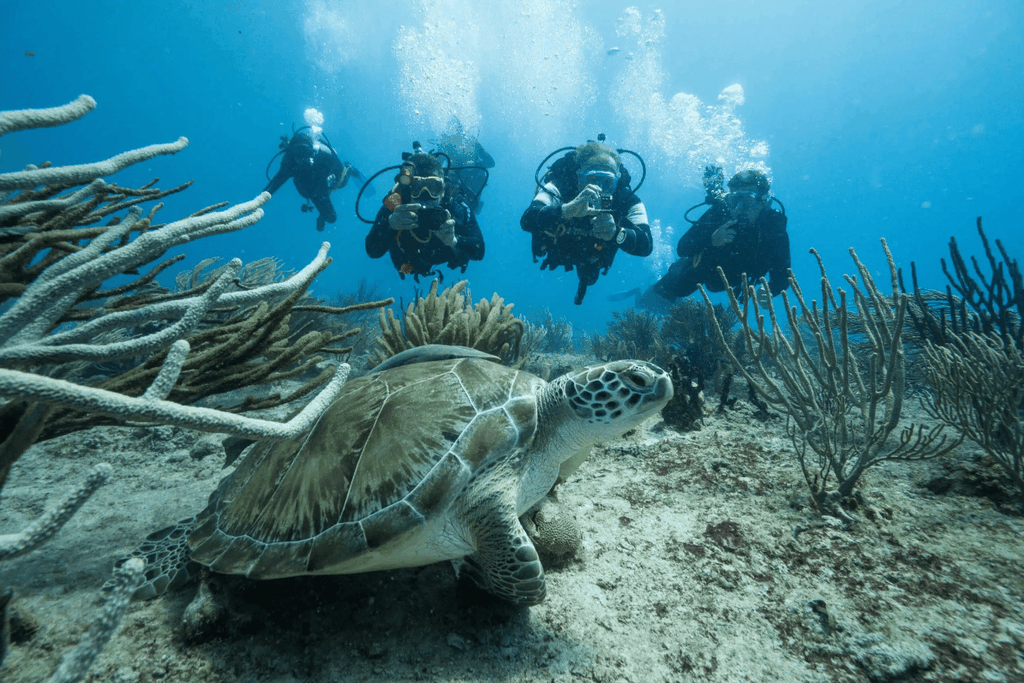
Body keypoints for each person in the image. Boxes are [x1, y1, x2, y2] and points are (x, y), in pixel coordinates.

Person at [521, 140, 653, 305]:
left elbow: (646, 244)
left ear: (616, 181)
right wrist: (564, 210)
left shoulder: (625, 198)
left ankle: (585, 279)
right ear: (578, 177)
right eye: (591, 179)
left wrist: (616, 233)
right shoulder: (560, 185)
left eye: (607, 182)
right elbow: (528, 219)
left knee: (590, 277)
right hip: (559, 248)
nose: (598, 188)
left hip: (595, 255)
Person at [642, 168, 790, 306]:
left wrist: (771, 290)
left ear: (762, 201)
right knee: (667, 291)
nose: (739, 208)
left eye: (747, 201)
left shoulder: (773, 226)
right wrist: (711, 240)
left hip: (737, 278)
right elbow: (682, 248)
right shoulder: (720, 212)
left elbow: (783, 274)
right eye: (734, 200)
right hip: (705, 270)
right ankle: (647, 292)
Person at [365, 150, 484, 282]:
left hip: (444, 257)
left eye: (434, 187)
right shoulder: (395, 203)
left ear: (443, 188)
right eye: (417, 187)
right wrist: (390, 225)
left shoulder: (453, 204)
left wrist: (455, 240)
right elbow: (372, 250)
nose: (425, 196)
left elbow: (479, 250)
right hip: (410, 264)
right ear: (408, 189)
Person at [265, 128, 367, 232]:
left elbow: (335, 172)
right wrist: (262, 198)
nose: (301, 158)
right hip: (311, 189)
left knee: (343, 183)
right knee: (330, 216)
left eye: (304, 153)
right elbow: (276, 183)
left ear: (311, 151)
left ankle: (349, 168)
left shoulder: (323, 156)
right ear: (292, 152)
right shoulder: (289, 162)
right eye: (298, 154)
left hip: (323, 184)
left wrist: (322, 212)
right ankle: (322, 210)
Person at [432, 116, 495, 213]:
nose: (454, 132)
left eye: (456, 128)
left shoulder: (471, 142)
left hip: (471, 183)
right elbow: (435, 167)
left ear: (461, 129)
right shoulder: (446, 144)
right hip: (453, 185)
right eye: (451, 129)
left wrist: (475, 163)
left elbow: (491, 162)